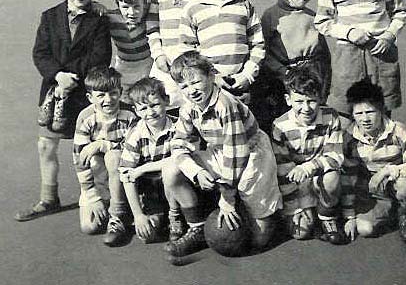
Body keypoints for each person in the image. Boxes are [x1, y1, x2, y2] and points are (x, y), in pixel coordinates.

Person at [15, 0, 112, 222]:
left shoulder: (100, 20)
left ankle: (102, 197)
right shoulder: (49, 17)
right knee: (46, 146)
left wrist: (73, 78)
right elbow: (40, 53)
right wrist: (58, 76)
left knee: (90, 150)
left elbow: (100, 57)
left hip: (83, 95)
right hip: (53, 94)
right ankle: (49, 199)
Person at [162, 51, 282, 257]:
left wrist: (227, 198)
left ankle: (265, 213)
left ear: (211, 75)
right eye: (184, 86)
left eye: (196, 82)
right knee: (171, 169)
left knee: (259, 240)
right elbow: (179, 144)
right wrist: (196, 172)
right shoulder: (188, 107)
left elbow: (238, 153)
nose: (191, 91)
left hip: (252, 154)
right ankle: (197, 226)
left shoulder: (226, 105)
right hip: (222, 150)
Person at [341, 79, 406, 243]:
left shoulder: (398, 130)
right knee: (365, 229)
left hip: (396, 183)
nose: (365, 119)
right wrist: (349, 216)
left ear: (381, 110)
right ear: (352, 115)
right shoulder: (350, 137)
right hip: (372, 192)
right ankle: (390, 212)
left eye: (370, 112)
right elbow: (347, 178)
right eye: (359, 114)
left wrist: (387, 170)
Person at [251, 0, 331, 133]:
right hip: (282, 81)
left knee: (311, 122)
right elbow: (263, 52)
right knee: (283, 125)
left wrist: (323, 87)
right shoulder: (271, 16)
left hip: (311, 78)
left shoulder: (313, 17)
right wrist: (284, 73)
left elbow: (324, 57)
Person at [179, 0, 265, 103]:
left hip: (241, 85)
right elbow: (188, 52)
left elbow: (258, 44)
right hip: (209, 86)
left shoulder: (244, 4)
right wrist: (212, 76)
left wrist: (247, 75)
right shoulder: (193, 8)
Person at [271, 68, 346, 244]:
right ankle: (309, 211)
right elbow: (283, 171)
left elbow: (335, 156)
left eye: (312, 101)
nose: (306, 108)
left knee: (332, 177)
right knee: (301, 233)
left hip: (319, 175)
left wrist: (309, 166)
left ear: (320, 98)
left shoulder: (331, 116)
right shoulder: (280, 126)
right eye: (299, 101)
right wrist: (295, 208)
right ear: (288, 100)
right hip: (295, 184)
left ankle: (327, 217)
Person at [73, 67, 136, 246]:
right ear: (90, 98)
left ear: (121, 92)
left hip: (123, 173)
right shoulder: (85, 118)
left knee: (113, 157)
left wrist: (103, 144)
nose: (108, 100)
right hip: (99, 177)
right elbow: (80, 160)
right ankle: (109, 202)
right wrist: (92, 197)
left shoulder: (130, 114)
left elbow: (135, 148)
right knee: (89, 227)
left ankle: (117, 214)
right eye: (100, 95)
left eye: (113, 93)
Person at [146, 0, 205, 106]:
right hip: (165, 63)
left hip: (192, 65)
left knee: (193, 107)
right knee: (162, 105)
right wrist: (158, 54)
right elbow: (152, 25)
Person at [119, 77, 175, 243]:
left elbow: (180, 160)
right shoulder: (136, 135)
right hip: (152, 190)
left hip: (177, 186)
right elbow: (127, 176)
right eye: (143, 108)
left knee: (175, 171)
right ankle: (155, 215)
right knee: (147, 235)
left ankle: (178, 217)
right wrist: (138, 215)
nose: (150, 113)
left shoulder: (178, 127)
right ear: (136, 111)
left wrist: (142, 169)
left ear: (166, 100)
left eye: (155, 105)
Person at [107, 0, 153, 103]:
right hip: (124, 66)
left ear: (144, 3)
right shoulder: (111, 18)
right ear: (118, 5)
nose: (131, 12)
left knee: (147, 99)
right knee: (123, 101)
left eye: (137, 6)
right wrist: (95, 5)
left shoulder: (151, 13)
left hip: (147, 64)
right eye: (125, 7)